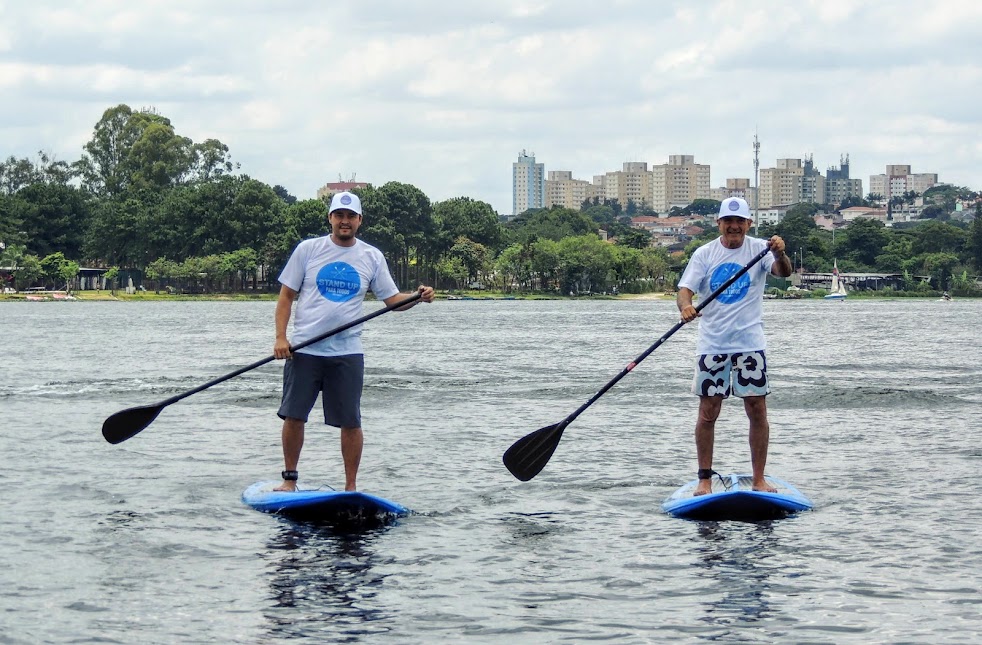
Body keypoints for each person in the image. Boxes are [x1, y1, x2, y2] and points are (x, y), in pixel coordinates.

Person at [272, 191, 435, 492]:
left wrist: (417, 297)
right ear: (330, 218)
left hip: (347, 353)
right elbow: (286, 297)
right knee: (294, 416)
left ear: (359, 220)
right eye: (339, 215)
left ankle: (350, 487)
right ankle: (289, 480)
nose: (344, 221)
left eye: (350, 216)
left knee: (351, 421)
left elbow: (393, 302)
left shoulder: (371, 257)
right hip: (304, 350)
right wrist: (281, 338)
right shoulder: (308, 250)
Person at [676, 197, 793, 496]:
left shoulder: (761, 249)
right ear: (719, 223)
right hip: (712, 344)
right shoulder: (704, 254)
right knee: (708, 411)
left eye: (740, 221)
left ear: (748, 224)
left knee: (757, 410)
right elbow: (685, 290)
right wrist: (686, 306)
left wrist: (780, 253)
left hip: (750, 344)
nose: (734, 226)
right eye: (728, 221)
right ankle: (704, 480)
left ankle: (759, 479)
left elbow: (783, 272)